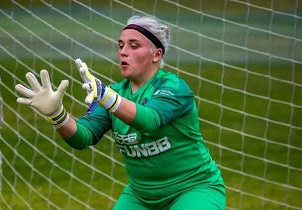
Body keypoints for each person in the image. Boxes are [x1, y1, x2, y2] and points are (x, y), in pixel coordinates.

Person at [15, 15, 226, 210]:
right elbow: (83, 137)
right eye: (121, 45)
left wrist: (106, 97)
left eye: (134, 46)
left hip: (194, 188)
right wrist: (57, 115)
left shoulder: (173, 87)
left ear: (156, 54)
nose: (123, 52)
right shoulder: (114, 93)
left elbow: (150, 120)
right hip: (141, 195)